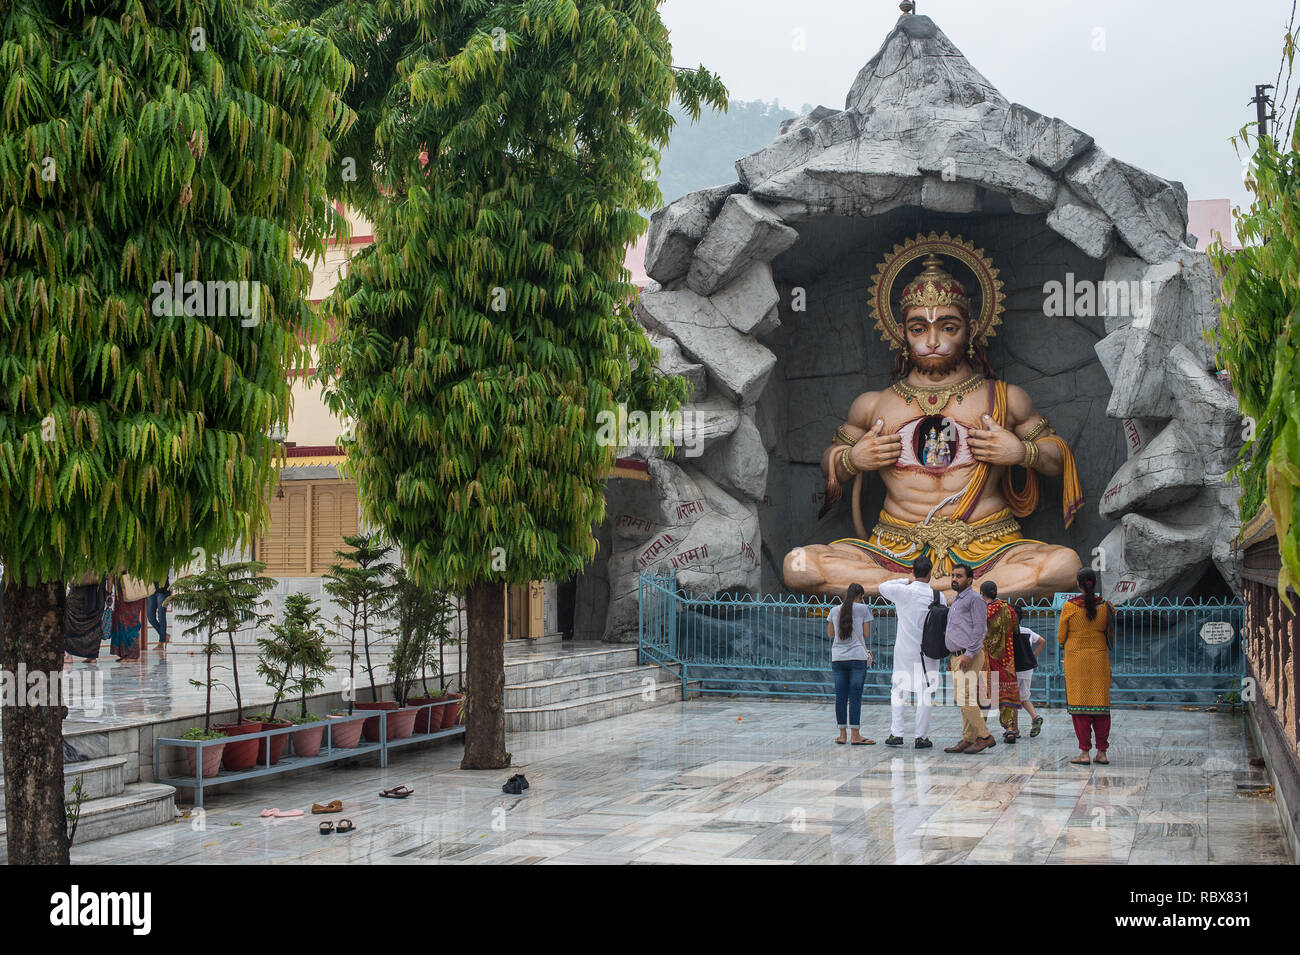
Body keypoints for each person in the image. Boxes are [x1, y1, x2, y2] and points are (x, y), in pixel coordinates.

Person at [878, 555, 942, 748]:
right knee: (925, 693)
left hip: (905, 650)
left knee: (898, 690)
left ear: (913, 572)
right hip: (929, 651)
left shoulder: (902, 591)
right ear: (931, 572)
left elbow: (882, 587)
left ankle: (896, 733)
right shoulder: (939, 596)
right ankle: (921, 737)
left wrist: (906, 580)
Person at [1058, 568, 1115, 765]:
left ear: (1078, 584)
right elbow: (1111, 637)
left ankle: (1084, 753)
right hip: (1099, 661)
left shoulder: (1069, 607)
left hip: (1076, 662)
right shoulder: (1106, 606)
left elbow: (1060, 637)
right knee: (1101, 708)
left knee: (1080, 709)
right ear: (1095, 583)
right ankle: (1102, 753)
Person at [943, 563, 995, 754]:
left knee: (963, 697)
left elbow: (980, 629)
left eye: (959, 576)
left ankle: (985, 736)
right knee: (966, 697)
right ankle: (969, 738)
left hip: (968, 655)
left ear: (970, 580)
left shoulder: (975, 599)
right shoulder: (957, 600)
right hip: (957, 655)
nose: (954, 579)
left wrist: (969, 654)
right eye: (953, 575)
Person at [826, 582, 875, 745]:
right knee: (855, 697)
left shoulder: (834, 610)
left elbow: (830, 634)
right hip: (857, 658)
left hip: (838, 658)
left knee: (840, 696)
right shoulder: (864, 609)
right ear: (860, 596)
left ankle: (842, 735)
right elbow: (866, 634)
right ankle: (855, 735)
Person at [980, 580, 1020, 742]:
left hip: (985, 658)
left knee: (983, 693)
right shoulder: (1008, 609)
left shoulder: (982, 611)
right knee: (1006, 693)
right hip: (1006, 658)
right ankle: (1010, 728)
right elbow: (1015, 630)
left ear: (982, 593)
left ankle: (981, 729)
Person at [1010, 599, 1046, 737]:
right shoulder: (1027, 631)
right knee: (1024, 697)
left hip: (1014, 670)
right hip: (1027, 669)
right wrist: (1033, 656)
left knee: (1013, 699)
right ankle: (1035, 717)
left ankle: (1015, 729)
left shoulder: (1008, 634)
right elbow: (1042, 641)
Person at [65, 575, 108, 662]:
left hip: (80, 590)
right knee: (94, 623)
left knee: (71, 620)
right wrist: (109, 592)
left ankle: (69, 655)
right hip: (97, 594)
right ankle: (92, 656)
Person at [109, 574, 152, 661]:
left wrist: (109, 592)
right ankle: (124, 653)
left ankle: (132, 653)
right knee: (122, 620)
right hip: (124, 590)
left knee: (130, 621)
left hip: (130, 588)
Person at [147, 576, 170, 646]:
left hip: (163, 590)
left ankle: (161, 642)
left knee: (161, 616)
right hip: (151, 590)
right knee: (150, 618)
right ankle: (164, 635)